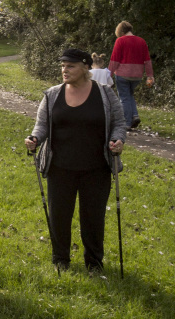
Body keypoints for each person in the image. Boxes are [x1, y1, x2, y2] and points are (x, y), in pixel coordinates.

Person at [25, 48, 126, 274]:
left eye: (70, 66)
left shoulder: (105, 93)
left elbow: (119, 123)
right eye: (62, 66)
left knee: (93, 218)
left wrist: (117, 140)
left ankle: (94, 262)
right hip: (59, 168)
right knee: (59, 216)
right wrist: (34, 138)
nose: (64, 70)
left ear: (85, 67)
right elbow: (41, 126)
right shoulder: (52, 95)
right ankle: (60, 259)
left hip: (97, 168)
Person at [109, 21, 155, 129]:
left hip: (123, 74)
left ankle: (127, 123)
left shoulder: (120, 41)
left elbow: (114, 60)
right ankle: (135, 115)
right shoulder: (141, 41)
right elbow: (147, 60)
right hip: (137, 75)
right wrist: (149, 75)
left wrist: (108, 74)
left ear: (120, 30)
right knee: (129, 95)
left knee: (124, 98)